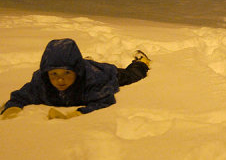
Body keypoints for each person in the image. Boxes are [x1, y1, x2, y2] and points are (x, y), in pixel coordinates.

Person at [1, 38, 151, 120]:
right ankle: (81, 62)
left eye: (66, 73)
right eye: (54, 74)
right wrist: (12, 107)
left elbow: (105, 100)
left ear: (76, 71)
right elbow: (22, 96)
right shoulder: (41, 83)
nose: (60, 80)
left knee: (132, 76)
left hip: (104, 73)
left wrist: (78, 113)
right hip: (82, 67)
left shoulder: (94, 80)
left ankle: (141, 62)